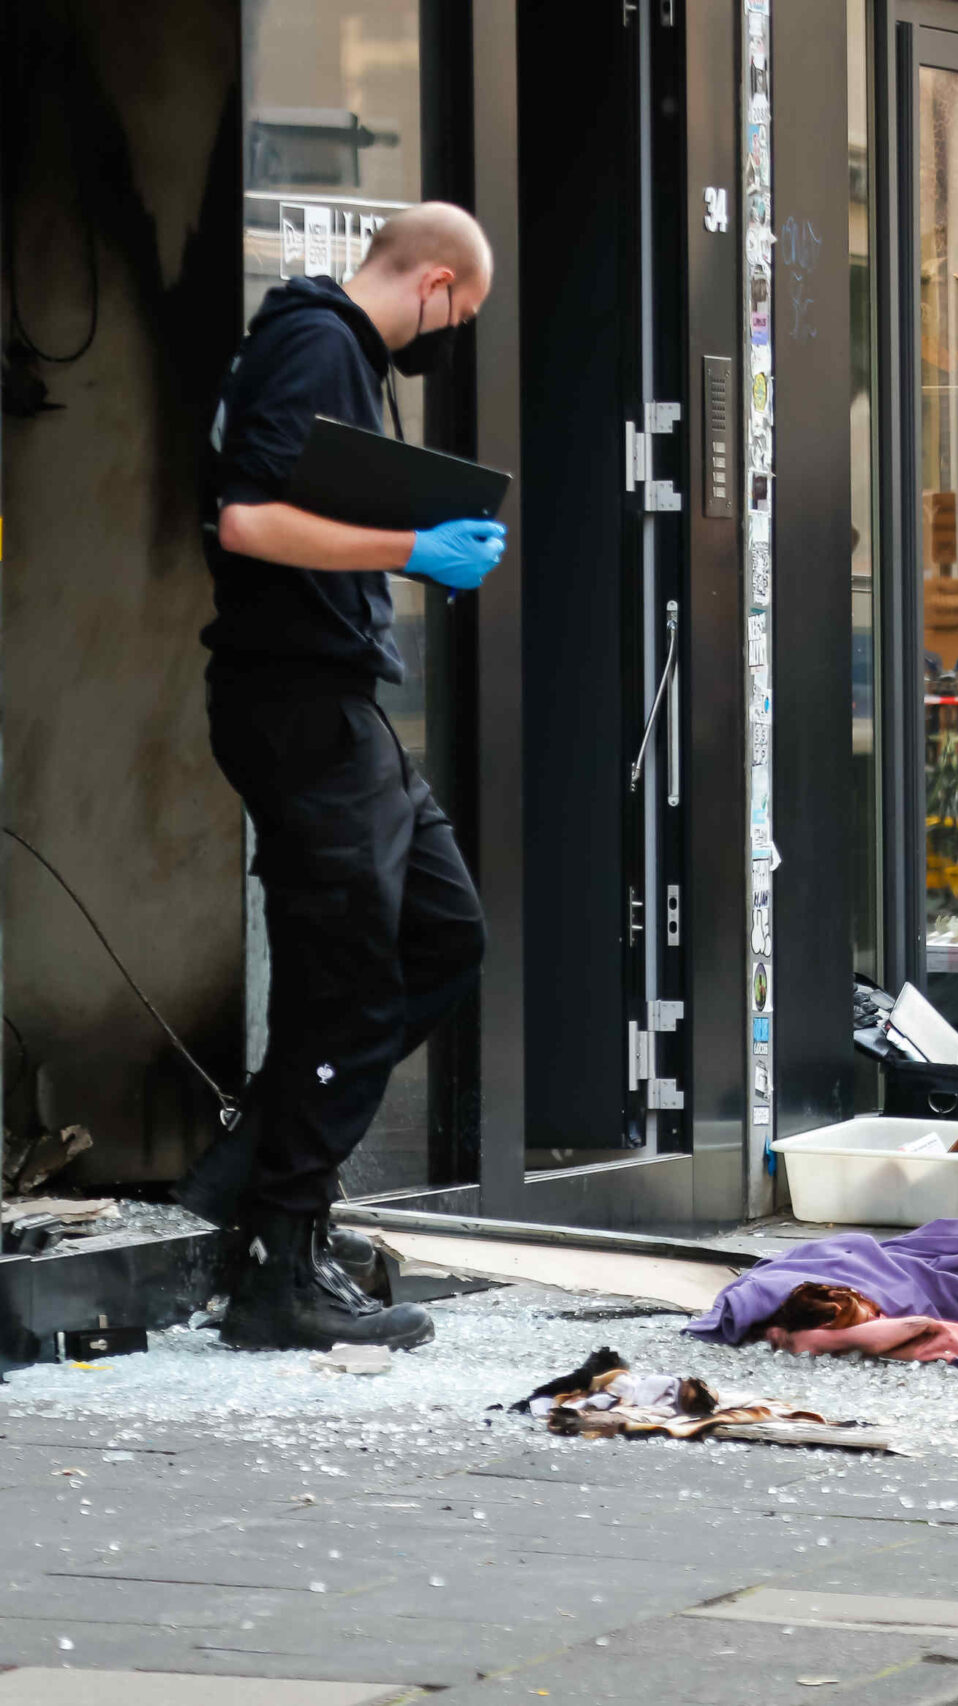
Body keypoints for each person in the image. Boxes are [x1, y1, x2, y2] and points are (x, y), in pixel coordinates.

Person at [178, 202, 506, 1350]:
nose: (449, 335)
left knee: (439, 933)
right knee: (348, 974)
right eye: (462, 315)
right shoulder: (316, 343)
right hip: (300, 702)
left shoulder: (334, 352)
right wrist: (412, 549)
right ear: (436, 287)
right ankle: (279, 1262)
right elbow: (248, 520)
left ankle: (245, 1177)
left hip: (340, 703)